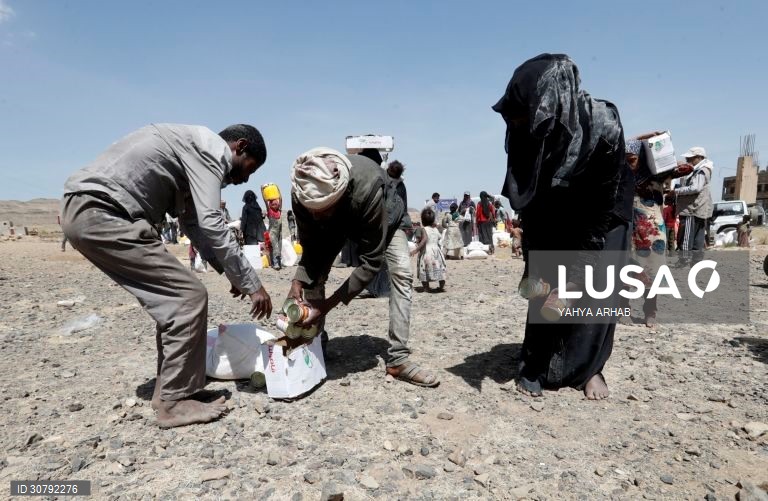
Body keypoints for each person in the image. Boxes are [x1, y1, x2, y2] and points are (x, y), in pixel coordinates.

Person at [60, 123, 272, 428]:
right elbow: (212, 222)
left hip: (88, 210)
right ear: (239, 147)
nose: (244, 179)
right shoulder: (210, 149)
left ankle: (171, 394)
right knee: (187, 298)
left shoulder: (191, 151)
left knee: (177, 299)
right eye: (249, 169)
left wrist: (229, 271)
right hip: (104, 211)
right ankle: (173, 403)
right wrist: (253, 285)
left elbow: (193, 223)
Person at [492, 53, 632, 400]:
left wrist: (574, 276)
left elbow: (598, 210)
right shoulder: (527, 126)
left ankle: (589, 369)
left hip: (603, 207)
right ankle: (536, 363)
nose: (519, 121)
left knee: (594, 288)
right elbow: (523, 188)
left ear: (548, 103)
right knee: (543, 283)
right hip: (549, 204)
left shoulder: (604, 125)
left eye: (525, 112)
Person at [287, 147, 439, 387]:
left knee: (401, 274)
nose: (316, 217)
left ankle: (398, 359)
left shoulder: (367, 188)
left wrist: (325, 306)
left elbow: (370, 262)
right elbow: (311, 248)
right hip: (340, 221)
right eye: (312, 211)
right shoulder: (303, 190)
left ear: (339, 195)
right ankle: (314, 345)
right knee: (313, 275)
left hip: (385, 220)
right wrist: (298, 280)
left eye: (322, 210)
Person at [619, 139, 667, 328]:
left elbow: (682, 168)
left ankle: (650, 312)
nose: (628, 165)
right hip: (628, 229)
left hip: (652, 231)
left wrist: (650, 142)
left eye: (632, 160)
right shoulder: (622, 176)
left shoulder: (657, 174)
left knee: (653, 270)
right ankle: (623, 309)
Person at [675, 146, 713, 266]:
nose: (687, 160)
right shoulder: (700, 169)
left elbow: (695, 188)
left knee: (687, 237)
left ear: (699, 157)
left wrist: (677, 191)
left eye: (690, 158)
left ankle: (684, 260)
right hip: (699, 209)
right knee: (698, 237)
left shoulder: (701, 170)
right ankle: (696, 261)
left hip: (692, 209)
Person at [411, 207, 447, 292]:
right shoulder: (435, 229)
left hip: (427, 252)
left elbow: (424, 241)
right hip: (437, 252)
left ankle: (426, 287)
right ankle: (441, 286)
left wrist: (416, 250)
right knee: (439, 268)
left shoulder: (423, 229)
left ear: (422, 220)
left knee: (424, 269)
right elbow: (439, 237)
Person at [266, 195, 283, 270]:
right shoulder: (270, 211)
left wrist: (278, 193)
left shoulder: (279, 211)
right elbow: (265, 202)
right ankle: (276, 264)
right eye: (273, 204)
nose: (275, 206)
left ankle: (277, 263)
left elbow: (281, 199)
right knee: (275, 247)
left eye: (276, 204)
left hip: (279, 233)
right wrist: (262, 191)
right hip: (272, 233)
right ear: (270, 205)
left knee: (279, 247)